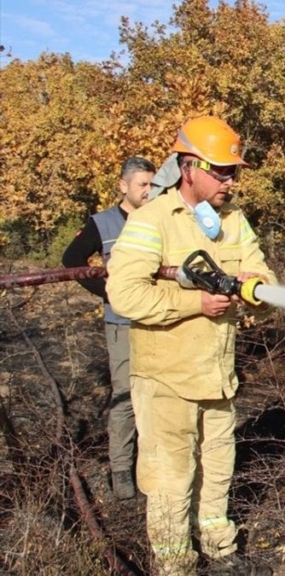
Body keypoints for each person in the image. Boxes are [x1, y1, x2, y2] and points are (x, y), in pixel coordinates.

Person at [106, 116, 276, 576]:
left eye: (234, 171)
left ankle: (220, 550)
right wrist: (194, 303)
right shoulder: (151, 220)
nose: (230, 180)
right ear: (189, 167)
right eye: (221, 171)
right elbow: (124, 293)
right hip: (166, 379)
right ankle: (175, 564)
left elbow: (266, 279)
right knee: (170, 479)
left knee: (218, 469)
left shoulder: (234, 221)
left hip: (218, 377)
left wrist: (254, 287)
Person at [62, 155, 156, 500]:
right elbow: (71, 261)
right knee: (125, 396)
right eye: (142, 185)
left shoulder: (159, 218)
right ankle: (120, 469)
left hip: (159, 319)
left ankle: (154, 465)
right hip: (123, 323)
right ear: (123, 186)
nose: (148, 192)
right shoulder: (102, 224)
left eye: (152, 184)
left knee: (158, 394)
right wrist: (111, 293)